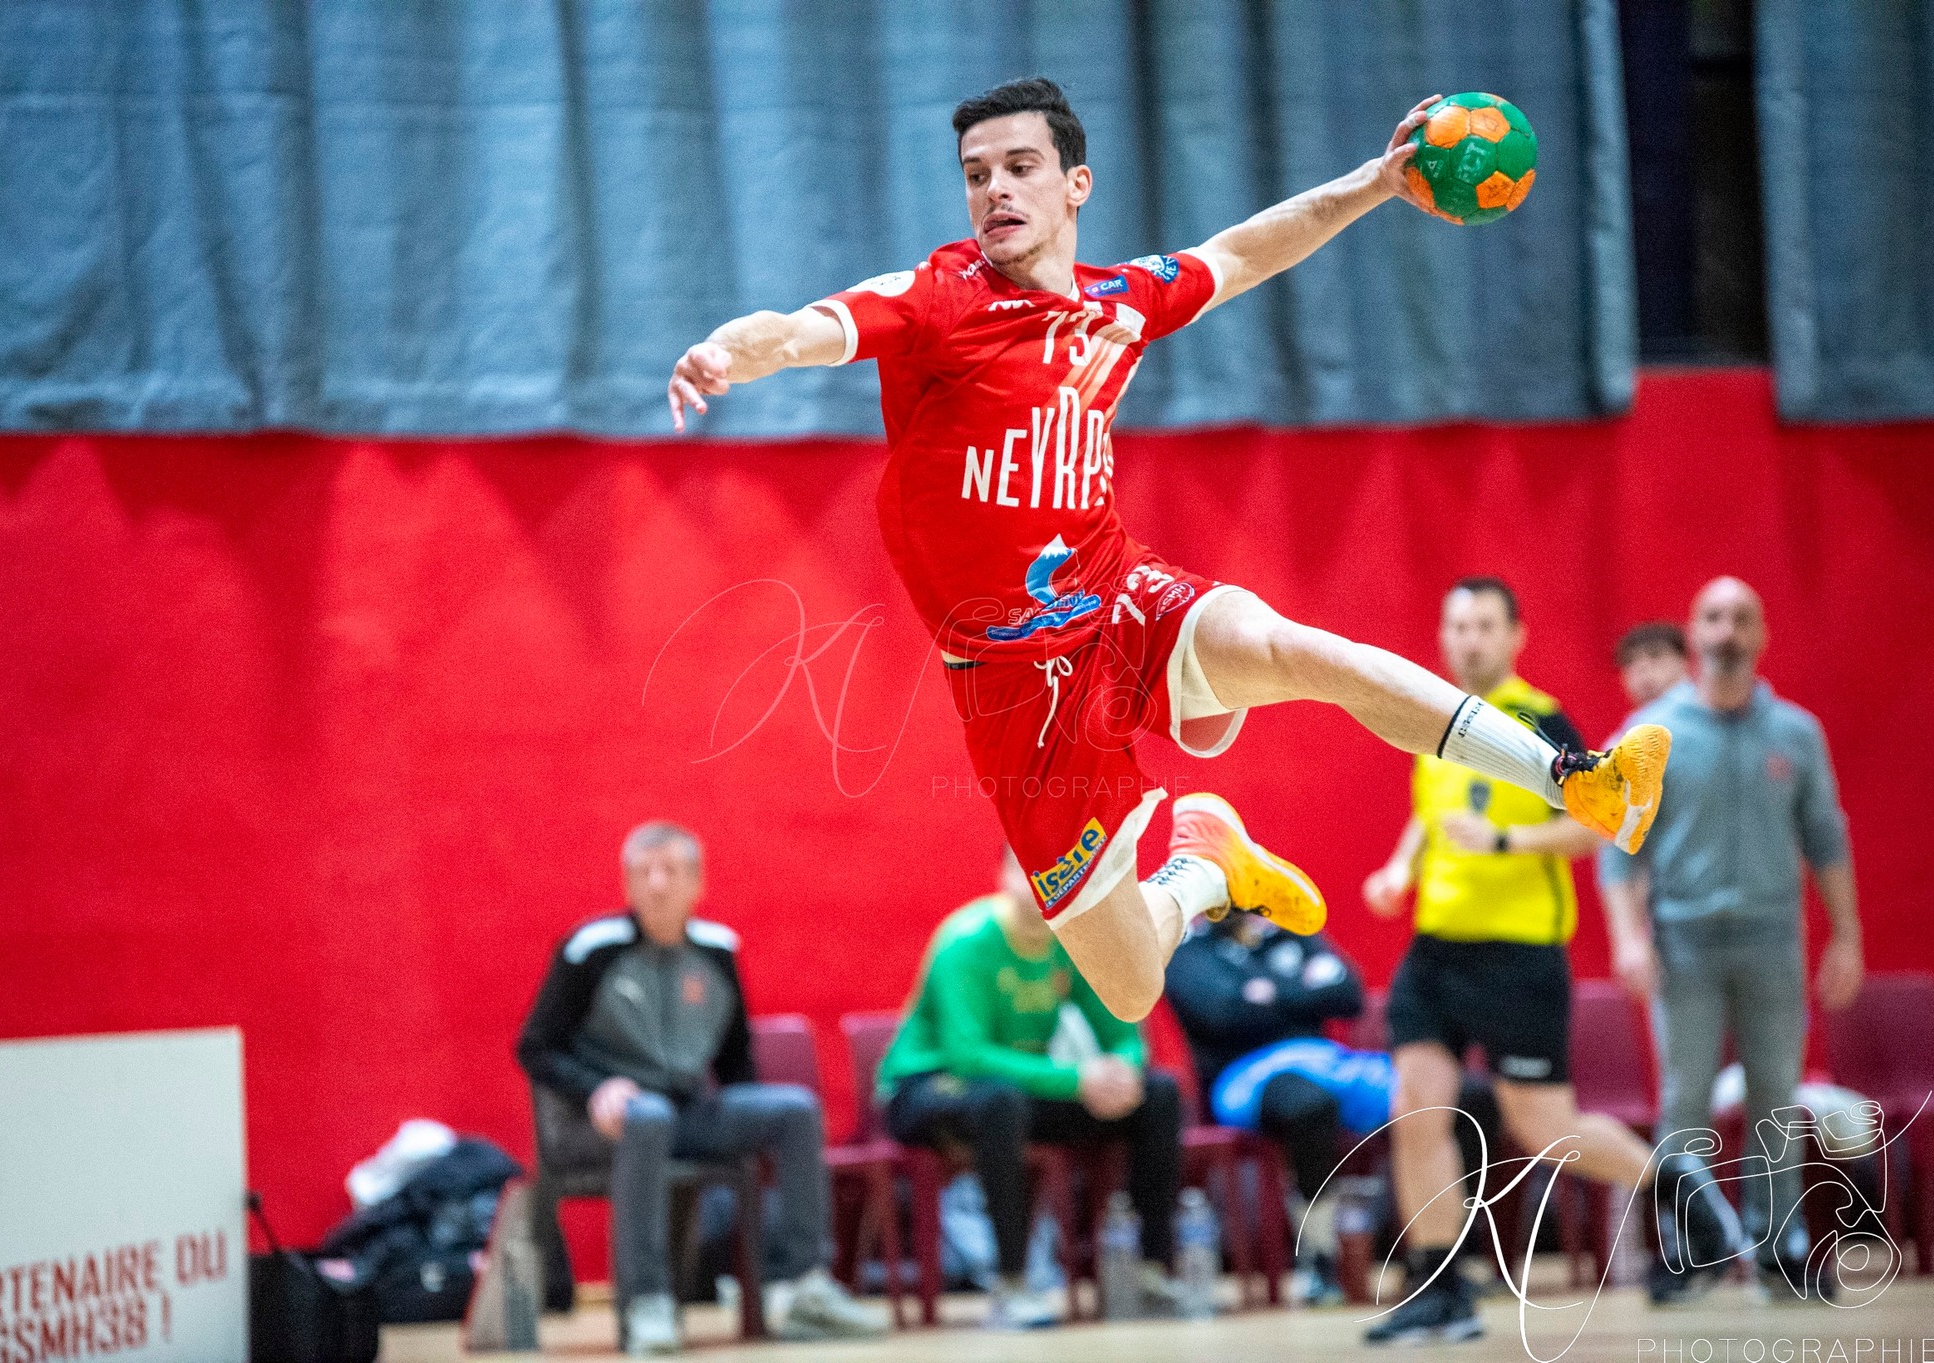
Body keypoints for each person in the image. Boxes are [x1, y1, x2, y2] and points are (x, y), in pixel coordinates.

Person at [665, 76, 1671, 1028]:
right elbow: (796, 331)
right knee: (1132, 987)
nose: (995, 190)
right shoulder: (938, 298)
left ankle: (1575, 775)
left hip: (1116, 595)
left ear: (1075, 184)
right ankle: (1204, 866)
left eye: (1019, 166)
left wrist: (1373, 183)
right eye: (976, 173)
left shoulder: (1119, 301)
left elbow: (1241, 253)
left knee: (1299, 651)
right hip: (1016, 688)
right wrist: (724, 354)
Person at [1360, 579, 1737, 1343]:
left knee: (1544, 1127)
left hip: (1520, 956)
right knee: (1415, 1106)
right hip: (1435, 951)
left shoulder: (1539, 722)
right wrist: (1401, 867)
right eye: (1456, 625)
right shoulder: (1431, 715)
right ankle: (1439, 1285)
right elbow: (1433, 814)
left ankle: (1674, 1187)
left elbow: (1595, 824)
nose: (1468, 639)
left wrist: (1507, 840)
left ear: (1514, 636)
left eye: (1483, 625)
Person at [516, 822, 888, 1354]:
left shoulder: (717, 951)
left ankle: (805, 1288)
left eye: (669, 870)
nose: (656, 884)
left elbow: (736, 1061)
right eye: (643, 872)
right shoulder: (590, 949)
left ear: (697, 882)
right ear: (627, 883)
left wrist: (744, 1123)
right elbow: (536, 1047)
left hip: (686, 1114)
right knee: (648, 1116)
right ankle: (647, 1303)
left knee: (794, 1109)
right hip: (599, 1123)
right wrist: (596, 1089)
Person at [1600, 577, 1861, 1299]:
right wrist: (1627, 938)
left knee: (1775, 1095)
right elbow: (1618, 847)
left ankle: (1780, 1247)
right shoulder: (1652, 734)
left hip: (1773, 942)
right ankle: (1691, 1246)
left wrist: (1846, 934)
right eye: (1714, 617)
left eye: (1742, 618)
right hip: (1682, 942)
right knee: (1684, 1096)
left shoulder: (1796, 733)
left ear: (1762, 634)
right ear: (1694, 631)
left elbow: (1826, 837)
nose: (1728, 631)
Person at [875, 848, 1187, 1328]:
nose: (1043, 881)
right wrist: (1078, 1079)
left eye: (1056, 870)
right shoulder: (966, 940)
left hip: (1018, 1092)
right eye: (1029, 868)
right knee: (1000, 1102)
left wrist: (1122, 1070)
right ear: (1002, 874)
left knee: (1158, 1094)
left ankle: (1150, 1273)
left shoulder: (1072, 940)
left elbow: (1125, 1028)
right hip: (926, 1088)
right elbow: (968, 1056)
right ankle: (1012, 1285)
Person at [1164, 915, 1378, 1304]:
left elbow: (1349, 995)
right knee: (1310, 1106)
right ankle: (1319, 1256)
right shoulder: (1189, 950)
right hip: (1244, 1075)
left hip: (1326, 1061)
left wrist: (1269, 992)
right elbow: (1222, 1013)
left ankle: (1442, 1255)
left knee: (1444, 1096)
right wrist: (1304, 989)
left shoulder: (1295, 934)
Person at [1616, 622, 1689, 709]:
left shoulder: (1701, 709)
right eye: (1629, 661)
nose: (1641, 668)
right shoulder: (1641, 717)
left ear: (1685, 661)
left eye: (1655, 655)